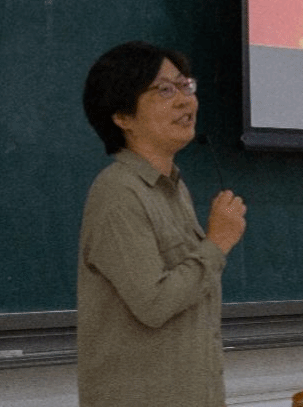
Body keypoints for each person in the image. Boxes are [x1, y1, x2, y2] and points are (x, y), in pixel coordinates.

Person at [77, 40, 246, 407]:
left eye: (186, 86)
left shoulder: (174, 188)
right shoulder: (118, 192)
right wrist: (217, 242)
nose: (186, 101)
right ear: (123, 117)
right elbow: (153, 303)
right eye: (165, 90)